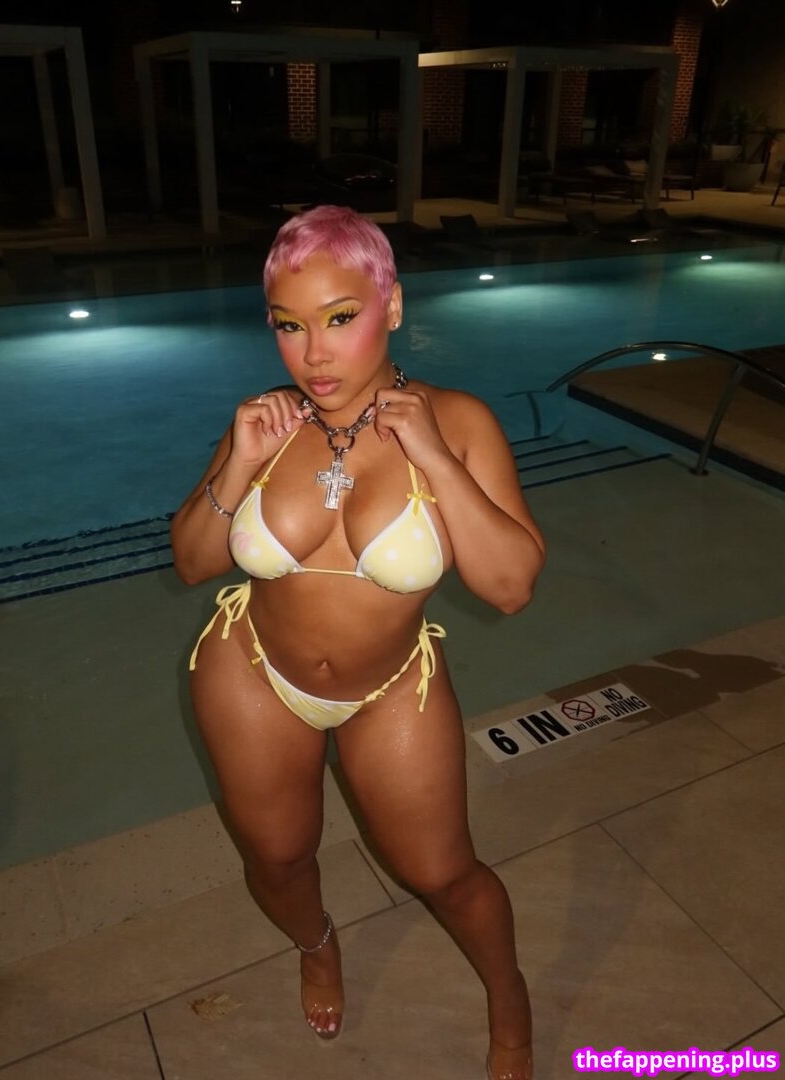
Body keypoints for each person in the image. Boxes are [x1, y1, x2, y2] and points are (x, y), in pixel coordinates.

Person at [171, 205, 546, 1079]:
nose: (314, 354)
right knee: (277, 857)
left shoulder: (458, 422)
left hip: (389, 688)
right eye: (289, 326)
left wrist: (435, 457)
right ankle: (318, 945)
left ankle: (510, 998)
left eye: (340, 317)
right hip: (252, 672)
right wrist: (239, 462)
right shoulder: (266, 425)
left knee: (444, 872)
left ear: (393, 306)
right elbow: (192, 562)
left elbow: (510, 587)